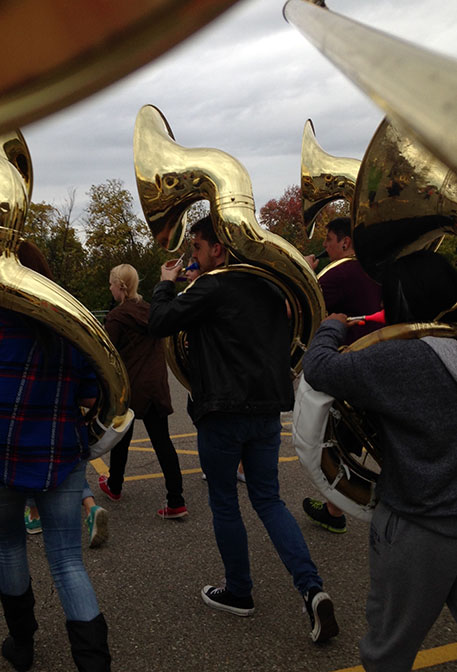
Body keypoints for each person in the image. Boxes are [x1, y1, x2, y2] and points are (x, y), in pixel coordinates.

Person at [148, 215, 339, 643]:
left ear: (219, 248)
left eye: (196, 248)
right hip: (266, 410)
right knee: (269, 500)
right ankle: (312, 589)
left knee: (225, 503)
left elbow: (158, 322)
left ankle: (239, 592)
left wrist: (166, 282)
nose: (192, 257)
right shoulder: (272, 287)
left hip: (222, 412)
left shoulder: (212, 287)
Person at [302, 248, 457, 671]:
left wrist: (329, 328)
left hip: (419, 525)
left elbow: (319, 368)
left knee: (387, 653)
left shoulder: (400, 358)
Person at [0, 242, 111, 671]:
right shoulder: (66, 322)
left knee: (8, 548)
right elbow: (90, 393)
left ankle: (22, 646)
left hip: (3, 455)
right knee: (67, 561)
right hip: (59, 452)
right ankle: (94, 664)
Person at [303, 217, 382, 534]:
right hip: (378, 359)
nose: (324, 245)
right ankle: (336, 507)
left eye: (328, 239)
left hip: (349, 364)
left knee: (333, 438)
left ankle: (337, 509)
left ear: (345, 242)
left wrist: (305, 274)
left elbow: (301, 306)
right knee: (363, 437)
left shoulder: (340, 271)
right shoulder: (374, 267)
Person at [99, 264, 187, 519]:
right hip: (155, 384)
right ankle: (176, 500)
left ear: (120, 286)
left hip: (130, 387)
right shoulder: (152, 311)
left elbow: (109, 355)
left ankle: (115, 485)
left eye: (111, 283)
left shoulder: (116, 317)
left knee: (121, 437)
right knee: (162, 442)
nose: (110, 287)